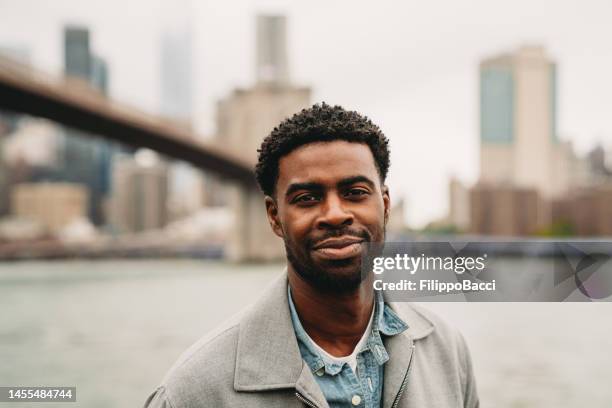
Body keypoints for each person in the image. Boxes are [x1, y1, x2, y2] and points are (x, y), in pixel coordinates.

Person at [144, 103, 479, 408]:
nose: (335, 214)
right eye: (307, 197)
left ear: (386, 204)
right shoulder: (192, 391)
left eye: (355, 193)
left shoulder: (447, 351)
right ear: (275, 216)